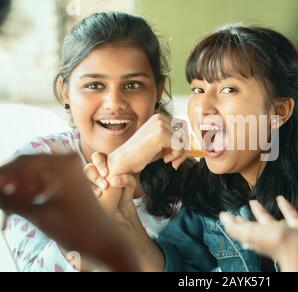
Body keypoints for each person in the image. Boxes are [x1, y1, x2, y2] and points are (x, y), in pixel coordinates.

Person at [87, 24, 298, 272]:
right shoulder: (204, 196)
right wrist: (126, 211)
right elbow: (175, 268)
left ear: (279, 111)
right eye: (199, 89)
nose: (202, 107)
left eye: (229, 89)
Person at [3, 12, 185, 272]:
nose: (114, 103)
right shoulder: (38, 162)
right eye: (94, 85)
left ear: (157, 91)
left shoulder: (186, 174)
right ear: (65, 91)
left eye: (133, 85)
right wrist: (118, 167)